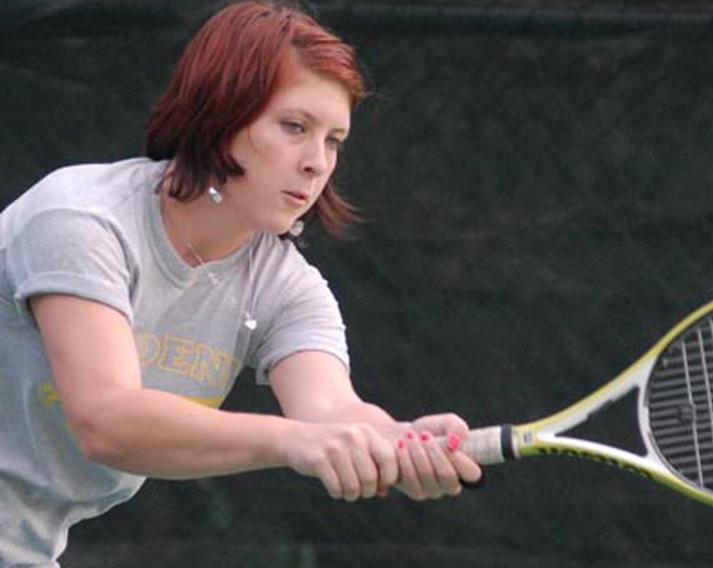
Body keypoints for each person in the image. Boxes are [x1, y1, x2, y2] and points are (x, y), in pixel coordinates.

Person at [0, 1, 482, 565]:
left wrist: (400, 442)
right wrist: (292, 442)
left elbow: (328, 411)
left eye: (333, 140)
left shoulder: (286, 287)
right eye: (295, 127)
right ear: (220, 116)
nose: (316, 162)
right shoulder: (81, 221)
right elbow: (106, 421)